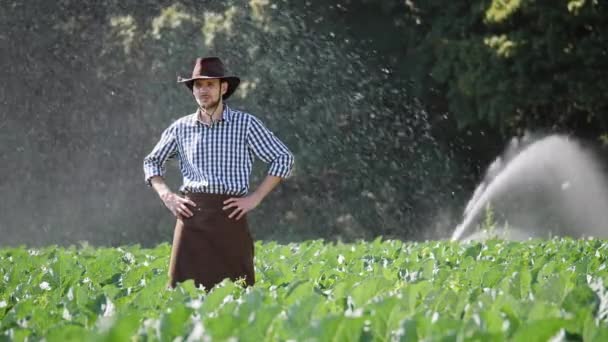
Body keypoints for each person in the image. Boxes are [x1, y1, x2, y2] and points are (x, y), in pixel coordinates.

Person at [143, 56, 294, 290]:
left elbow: (283, 158)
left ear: (223, 88)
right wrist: (167, 196)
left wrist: (255, 198)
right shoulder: (180, 128)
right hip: (190, 217)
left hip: (231, 216)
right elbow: (152, 162)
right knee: (181, 294)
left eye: (210, 84)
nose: (204, 90)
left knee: (238, 293)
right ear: (193, 90)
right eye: (198, 85)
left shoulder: (246, 124)